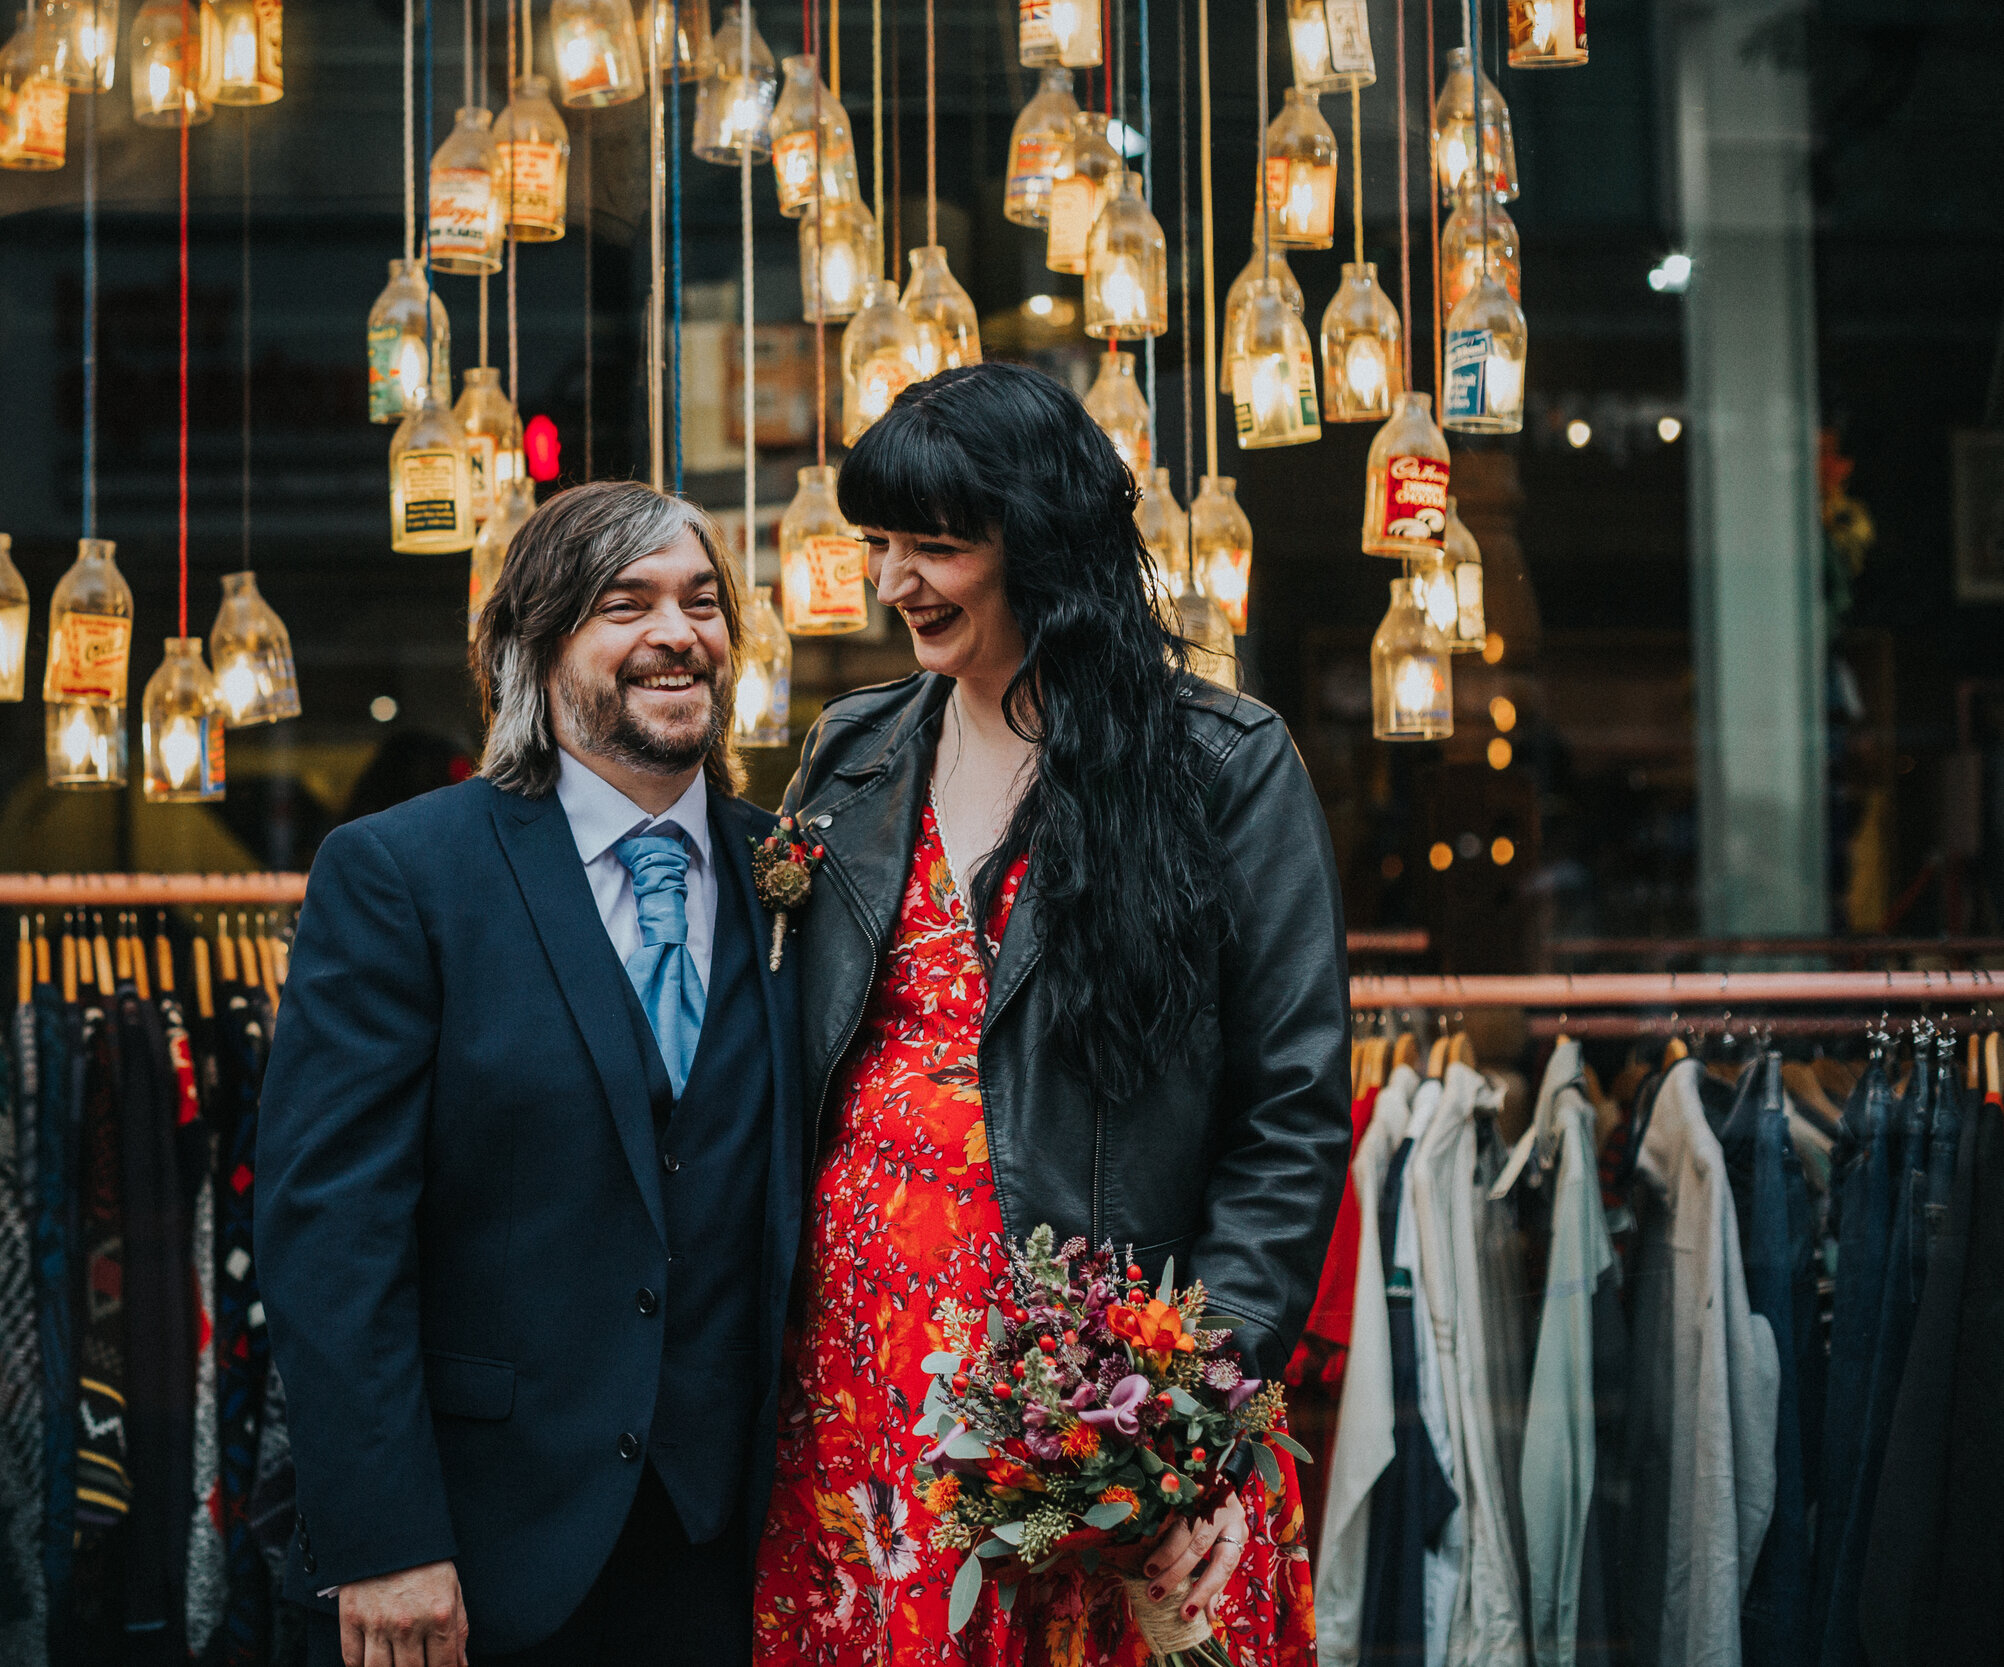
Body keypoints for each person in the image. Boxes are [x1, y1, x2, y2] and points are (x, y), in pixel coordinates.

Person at [751, 362, 1351, 1666]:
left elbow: (1291, 1121)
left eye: (939, 546)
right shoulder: (849, 753)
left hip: (1079, 1406)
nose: (898, 580)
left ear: (1043, 544)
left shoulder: (1222, 764)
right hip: (847, 1379)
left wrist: (1185, 1419)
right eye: (884, 544)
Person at [256, 481, 804, 1667]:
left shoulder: (794, 879)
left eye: (704, 603)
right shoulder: (402, 874)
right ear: (531, 649)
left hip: (733, 1552)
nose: (679, 632)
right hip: (474, 1554)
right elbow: (328, 1227)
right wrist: (383, 1534)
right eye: (627, 602)